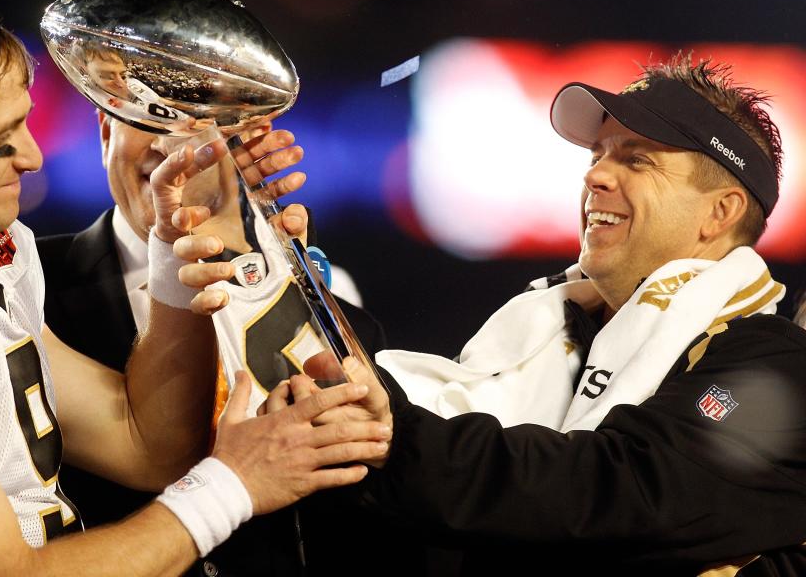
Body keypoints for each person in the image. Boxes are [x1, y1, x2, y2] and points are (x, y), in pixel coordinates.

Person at [0, 0, 390, 576]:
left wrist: (170, 244)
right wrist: (232, 485)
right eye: (1, 140)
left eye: (26, 123)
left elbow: (146, 446)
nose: (32, 157)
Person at [262, 55, 806, 575]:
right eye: (598, 155)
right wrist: (264, 255)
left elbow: (614, 492)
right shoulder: (560, 321)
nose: (596, 177)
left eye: (636, 159)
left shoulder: (773, 366)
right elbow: (408, 398)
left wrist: (395, 437)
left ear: (720, 212)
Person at [37, 110, 409, 576]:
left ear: (247, 136)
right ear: (106, 129)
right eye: (145, 119)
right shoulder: (23, 292)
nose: (163, 146)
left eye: (190, 120)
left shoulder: (341, 328)